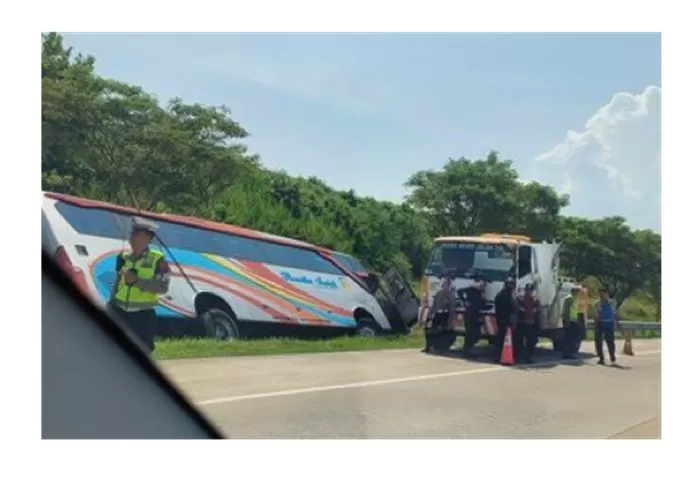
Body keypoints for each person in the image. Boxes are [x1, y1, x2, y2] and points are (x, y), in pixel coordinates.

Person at [108, 219, 171, 354]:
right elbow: (118, 283)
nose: (132, 238)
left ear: (148, 238)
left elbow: (163, 286)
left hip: (143, 316)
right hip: (119, 312)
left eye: (137, 234)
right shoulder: (124, 257)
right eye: (132, 234)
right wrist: (110, 305)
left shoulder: (158, 259)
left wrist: (137, 281)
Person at [423, 272, 457, 354]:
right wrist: (429, 315)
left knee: (444, 332)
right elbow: (434, 305)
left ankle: (442, 348)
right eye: (444, 284)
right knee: (432, 330)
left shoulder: (451, 295)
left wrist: (450, 320)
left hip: (445, 315)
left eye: (446, 284)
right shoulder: (438, 293)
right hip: (437, 314)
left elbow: (452, 308)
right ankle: (429, 346)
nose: (445, 285)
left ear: (449, 285)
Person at [459, 275, 487, 357]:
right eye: (483, 285)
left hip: (475, 316)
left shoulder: (480, 295)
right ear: (480, 284)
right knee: (471, 334)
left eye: (485, 286)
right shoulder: (472, 290)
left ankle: (466, 350)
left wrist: (483, 296)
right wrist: (464, 301)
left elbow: (482, 305)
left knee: (474, 334)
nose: (484, 287)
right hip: (470, 315)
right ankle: (466, 351)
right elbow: (460, 291)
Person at [493, 278, 518, 363]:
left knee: (500, 339)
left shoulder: (499, 295)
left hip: (501, 320)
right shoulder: (510, 296)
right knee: (510, 340)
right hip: (508, 321)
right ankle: (509, 356)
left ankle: (498, 356)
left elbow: (496, 308)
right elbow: (514, 309)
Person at [516, 284, 540, 364]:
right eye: (527, 290)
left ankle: (529, 357)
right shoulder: (520, 300)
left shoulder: (535, 301)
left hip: (532, 324)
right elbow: (518, 311)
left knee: (531, 342)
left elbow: (537, 313)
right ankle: (520, 357)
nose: (529, 292)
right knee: (520, 342)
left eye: (530, 290)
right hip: (522, 323)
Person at [595, 287, 619, 365]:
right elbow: (597, 313)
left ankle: (612, 358)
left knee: (610, 341)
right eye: (600, 294)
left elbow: (614, 313)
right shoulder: (597, 303)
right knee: (598, 341)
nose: (602, 295)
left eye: (603, 293)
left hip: (609, 323)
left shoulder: (612, 302)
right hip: (600, 323)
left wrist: (615, 322)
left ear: (607, 294)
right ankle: (601, 358)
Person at [561, 285, 582, 359]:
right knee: (569, 338)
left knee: (572, 338)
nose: (578, 293)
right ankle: (567, 353)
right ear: (573, 291)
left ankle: (570, 353)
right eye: (577, 291)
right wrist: (567, 321)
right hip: (569, 320)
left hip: (574, 320)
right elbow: (566, 310)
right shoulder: (569, 299)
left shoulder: (575, 299)